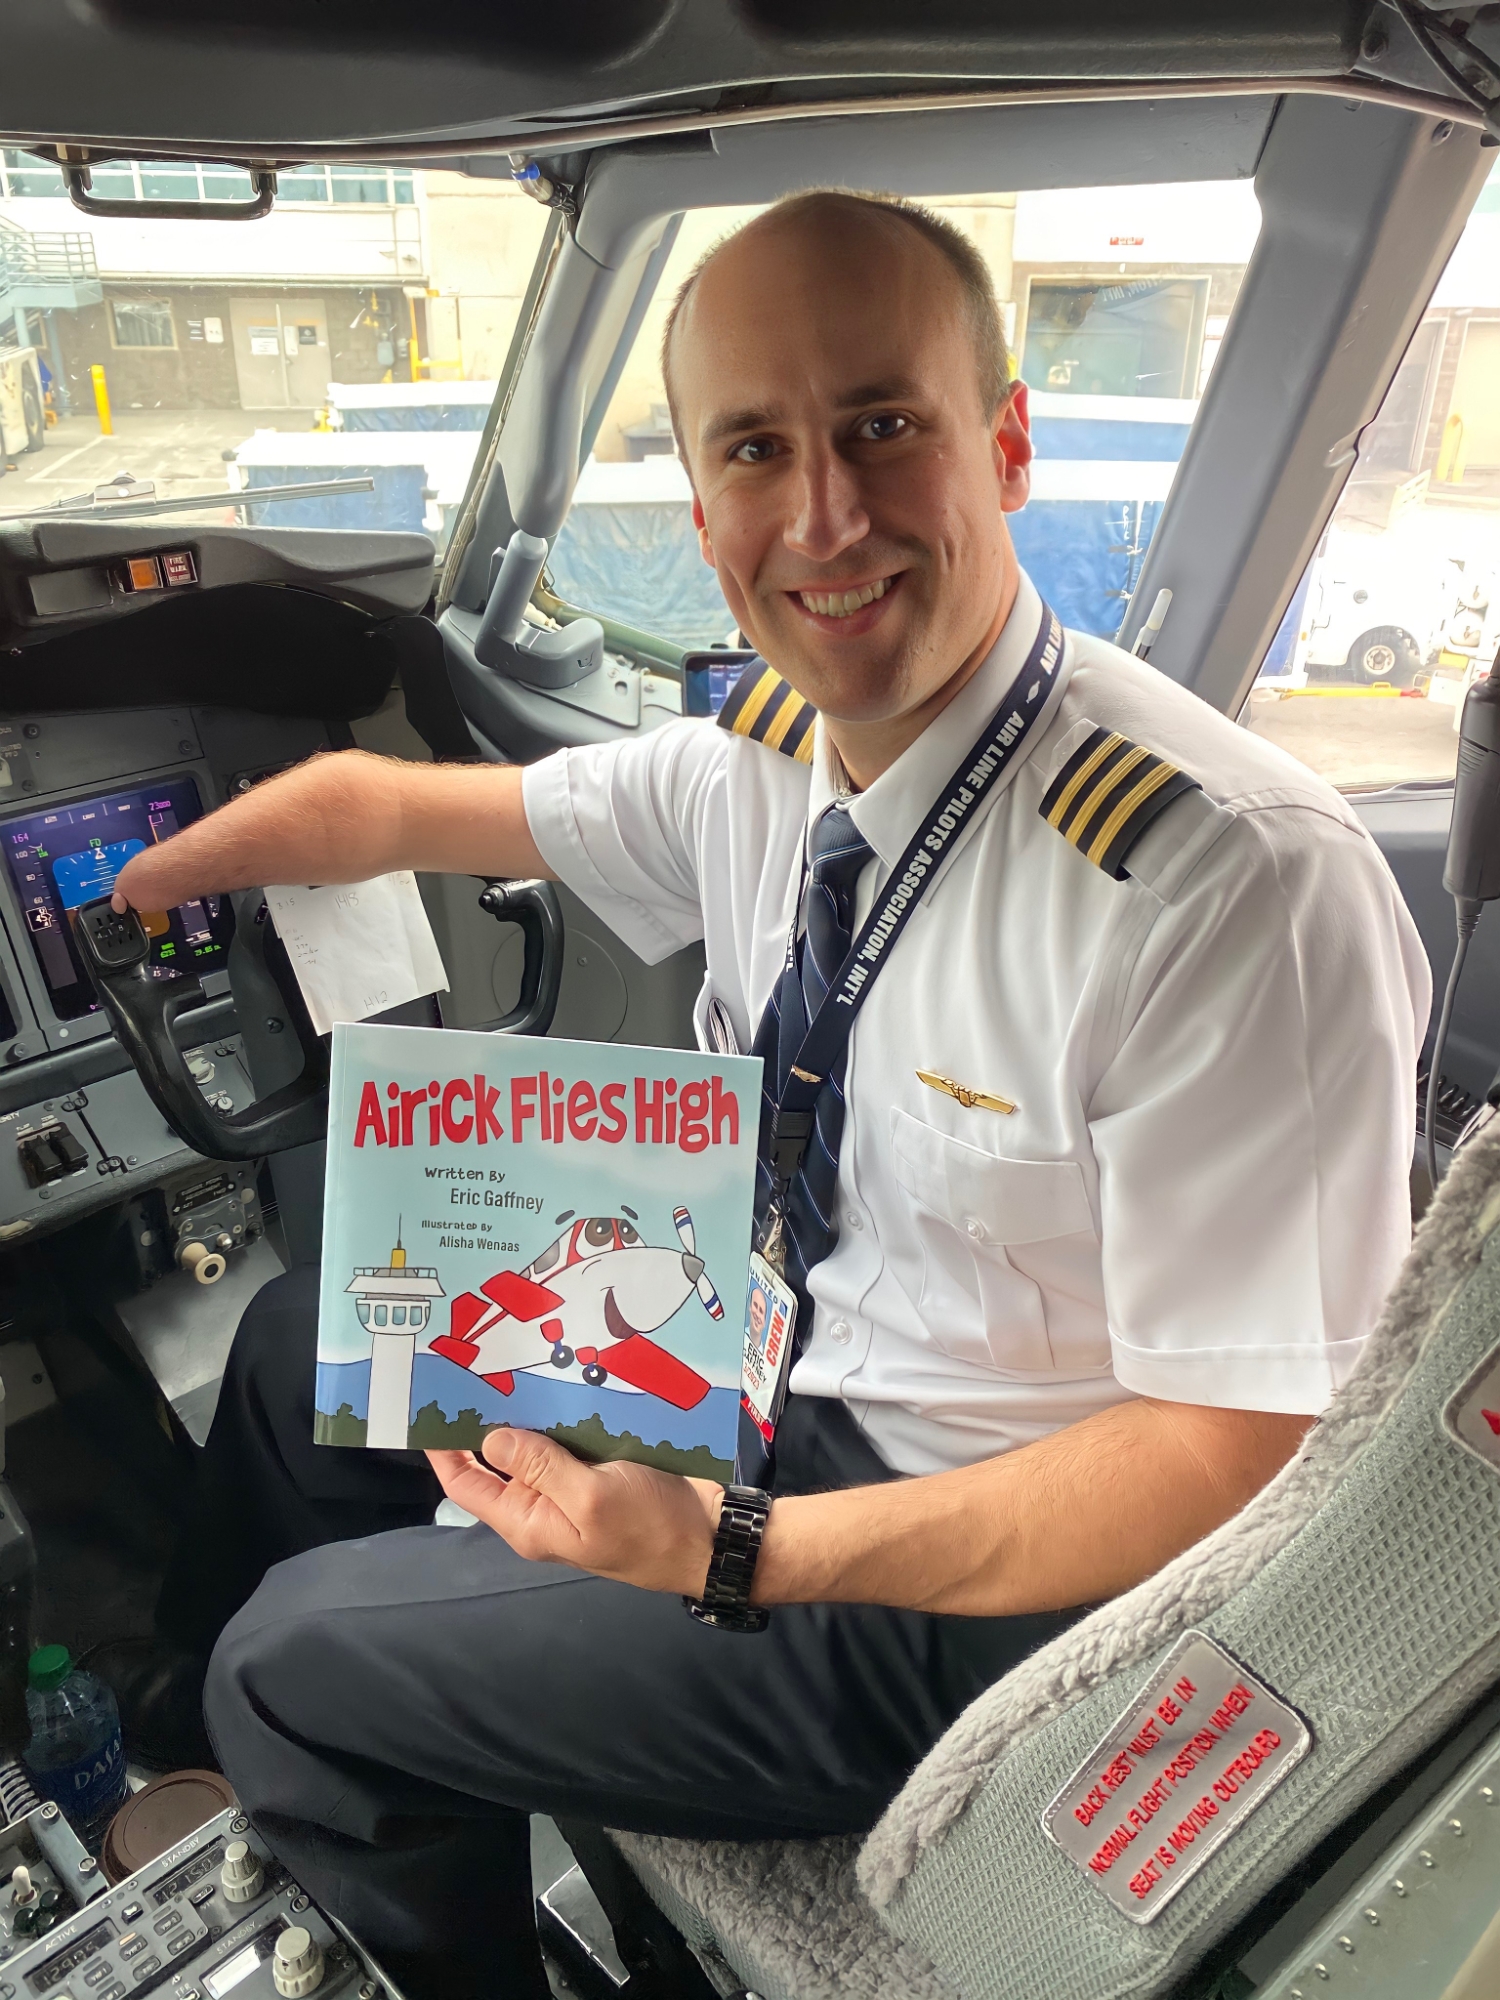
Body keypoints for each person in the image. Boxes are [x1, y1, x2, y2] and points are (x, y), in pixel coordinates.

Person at [108, 189, 1429, 1998]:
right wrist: (134, 884)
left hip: (996, 1585)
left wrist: (743, 1550)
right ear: (708, 504)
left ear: (1008, 445)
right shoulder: (772, 758)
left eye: (886, 425)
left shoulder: (1227, 883)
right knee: (289, 1353)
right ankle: (201, 1753)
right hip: (778, 1370)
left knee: (303, 1663)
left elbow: (1236, 1453)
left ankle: (354, 1797)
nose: (826, 514)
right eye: (757, 447)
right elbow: (410, 811)